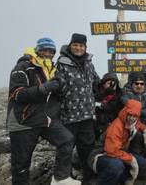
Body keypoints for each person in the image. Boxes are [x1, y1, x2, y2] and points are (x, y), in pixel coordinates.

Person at [6, 38, 80, 185]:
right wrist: (44, 88)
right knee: (21, 165)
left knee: (67, 139)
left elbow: (53, 95)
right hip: (23, 120)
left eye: (51, 51)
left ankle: (60, 178)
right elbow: (17, 94)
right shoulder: (24, 66)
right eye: (44, 50)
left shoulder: (52, 68)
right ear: (37, 50)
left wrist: (60, 88)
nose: (47, 53)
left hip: (45, 118)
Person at [54, 33, 100, 182]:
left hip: (87, 115)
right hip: (68, 116)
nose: (78, 48)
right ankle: (63, 178)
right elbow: (56, 87)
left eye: (81, 45)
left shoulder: (88, 62)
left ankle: (89, 177)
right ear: (70, 46)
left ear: (85, 48)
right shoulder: (62, 63)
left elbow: (96, 82)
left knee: (87, 149)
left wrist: (107, 84)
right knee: (66, 148)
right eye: (75, 45)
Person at [94, 99, 146, 185]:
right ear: (125, 112)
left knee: (142, 163)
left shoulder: (133, 122)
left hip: (120, 152)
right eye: (130, 115)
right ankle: (101, 181)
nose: (132, 118)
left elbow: (139, 124)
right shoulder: (116, 127)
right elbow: (111, 151)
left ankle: (119, 180)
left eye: (135, 116)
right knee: (117, 166)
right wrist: (131, 159)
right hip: (102, 153)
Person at [94, 72, 122, 140]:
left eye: (114, 83)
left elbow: (113, 108)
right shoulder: (96, 93)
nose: (112, 85)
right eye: (109, 83)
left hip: (112, 124)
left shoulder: (120, 95)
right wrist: (104, 95)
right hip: (96, 125)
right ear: (103, 84)